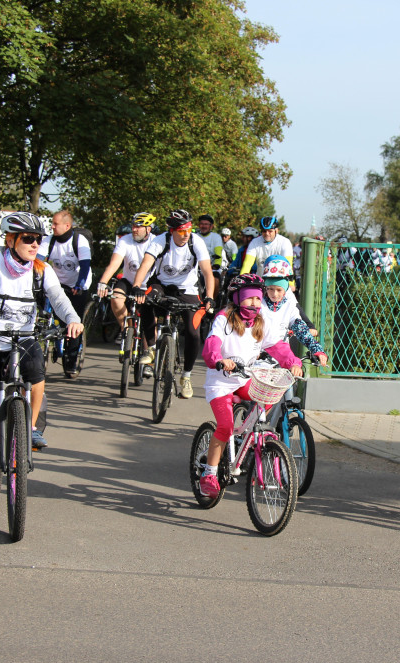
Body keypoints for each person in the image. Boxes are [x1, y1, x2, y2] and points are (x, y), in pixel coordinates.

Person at [0, 212, 83, 483]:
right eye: (28, 239)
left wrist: (73, 319)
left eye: (39, 240)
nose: (35, 245)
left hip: (22, 338)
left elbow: (58, 298)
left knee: (36, 369)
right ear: (10, 240)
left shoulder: (41, 270)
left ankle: (30, 428)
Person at [198, 273, 302, 498]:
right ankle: (209, 473)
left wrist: (293, 363)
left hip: (245, 378)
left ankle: (246, 437)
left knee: (268, 397)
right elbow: (213, 342)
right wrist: (218, 359)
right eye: (249, 298)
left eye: (257, 298)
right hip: (220, 382)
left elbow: (277, 346)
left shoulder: (261, 321)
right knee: (225, 427)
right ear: (237, 298)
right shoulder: (224, 319)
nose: (255, 303)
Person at [131, 209, 216, 399]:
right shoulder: (160, 240)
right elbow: (146, 264)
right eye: (181, 231)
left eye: (189, 230)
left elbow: (207, 272)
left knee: (193, 332)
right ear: (172, 231)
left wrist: (209, 297)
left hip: (188, 289)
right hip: (162, 285)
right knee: (145, 301)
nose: (186, 234)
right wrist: (137, 286)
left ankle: (186, 376)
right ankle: (151, 348)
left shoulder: (196, 242)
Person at [96, 212, 158, 362]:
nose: (134, 229)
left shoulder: (156, 242)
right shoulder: (125, 240)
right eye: (133, 226)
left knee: (150, 321)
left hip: (148, 284)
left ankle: (149, 357)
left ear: (148, 229)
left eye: (138, 227)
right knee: (115, 298)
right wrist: (103, 282)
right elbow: (114, 264)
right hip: (129, 281)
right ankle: (128, 330)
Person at [38, 209, 92, 368]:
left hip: (77, 283)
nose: (52, 227)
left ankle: (71, 358)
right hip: (57, 282)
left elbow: (85, 266)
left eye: (55, 224)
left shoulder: (79, 240)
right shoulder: (49, 240)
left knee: (74, 320)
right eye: (52, 223)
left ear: (67, 225)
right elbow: (38, 262)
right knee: (53, 315)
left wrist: (79, 285)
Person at [260, 255, 326, 366]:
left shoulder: (289, 306)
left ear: (285, 290)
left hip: (281, 356)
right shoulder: (258, 303)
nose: (274, 294)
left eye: (279, 290)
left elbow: (300, 328)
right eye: (270, 289)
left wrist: (316, 349)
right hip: (258, 357)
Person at [240, 216, 296, 289]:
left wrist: (291, 283)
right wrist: (241, 281)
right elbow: (247, 264)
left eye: (270, 231)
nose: (267, 233)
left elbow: (288, 264)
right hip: (261, 282)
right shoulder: (254, 242)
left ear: (276, 230)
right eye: (264, 231)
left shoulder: (285, 242)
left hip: (279, 283)